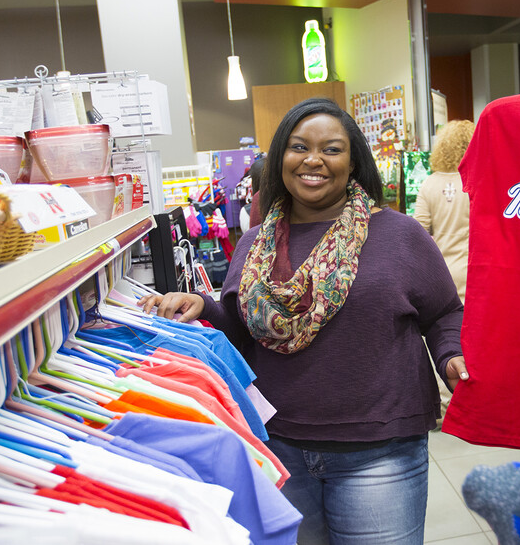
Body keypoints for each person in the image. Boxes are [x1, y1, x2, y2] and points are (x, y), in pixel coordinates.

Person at [139, 97, 467, 545]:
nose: (313, 159)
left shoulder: (399, 235)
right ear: (281, 161)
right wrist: (204, 307)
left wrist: (452, 355)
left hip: (380, 451)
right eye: (299, 147)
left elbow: (445, 311)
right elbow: (241, 330)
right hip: (278, 446)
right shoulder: (254, 245)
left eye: (331, 149)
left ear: (353, 163)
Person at [413, 119, 474, 303]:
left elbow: (418, 231)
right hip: (472, 270)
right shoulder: (477, 182)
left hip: (440, 272)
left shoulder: (429, 184)